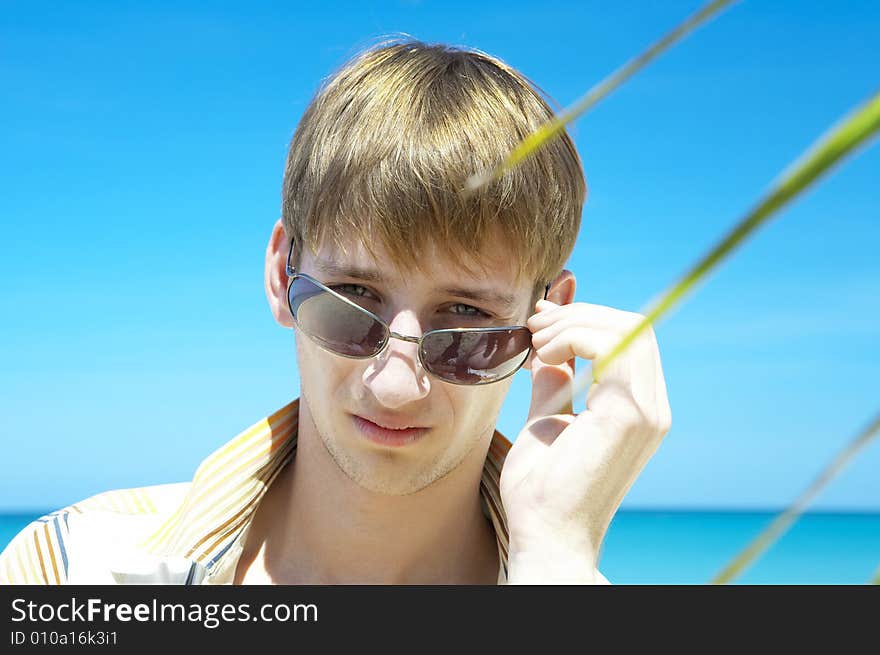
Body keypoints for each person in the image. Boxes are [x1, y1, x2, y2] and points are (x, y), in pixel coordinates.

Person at [0, 39, 671, 585]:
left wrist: (552, 559)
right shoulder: (63, 570)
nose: (394, 384)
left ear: (545, 320)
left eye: (463, 322)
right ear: (279, 273)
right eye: (353, 303)